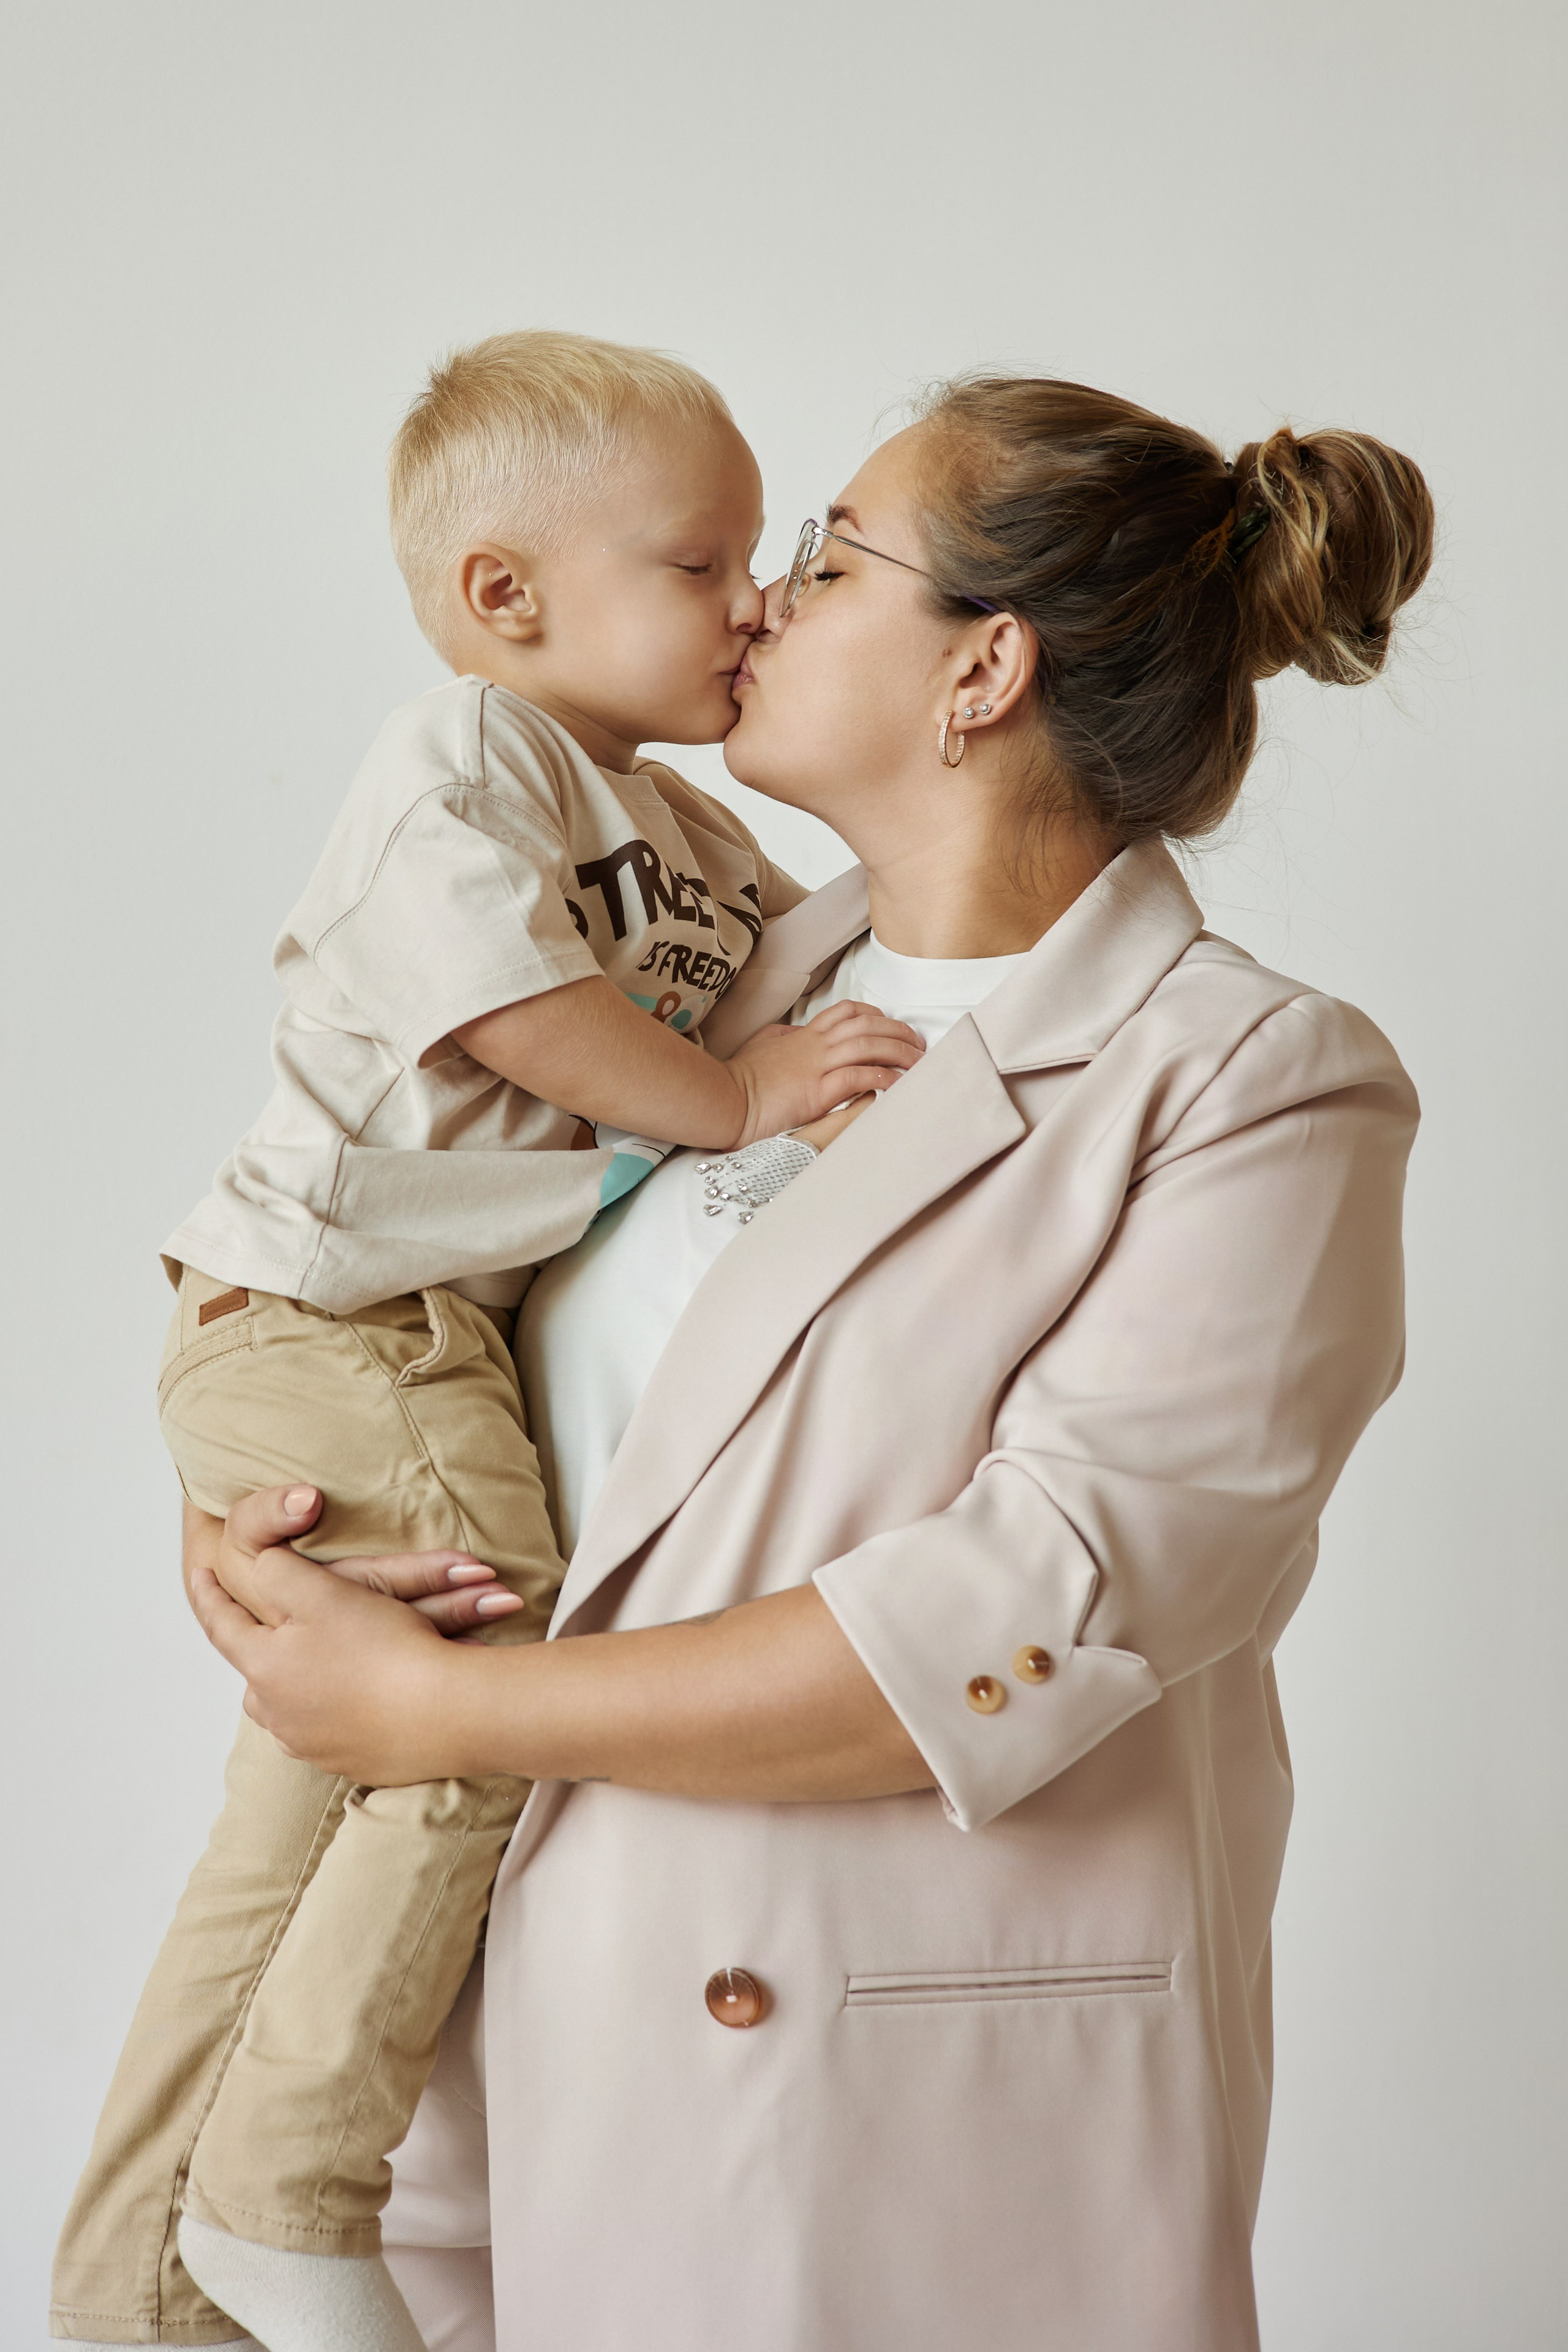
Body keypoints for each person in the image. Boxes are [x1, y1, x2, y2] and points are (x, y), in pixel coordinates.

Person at [181, 374, 1432, 2352]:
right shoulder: (711, 991)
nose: (756, 602)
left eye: (828, 560)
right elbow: (490, 1385)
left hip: (883, 2127)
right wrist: (285, 1548)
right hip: (510, 2061)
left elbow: (1011, 1623)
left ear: (986, 668)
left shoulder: (1254, 1083)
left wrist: (449, 1719)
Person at [50, 330, 921, 2352]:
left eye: (770, 559)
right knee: (477, 1672)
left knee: (297, 1804)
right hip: (335, 1318)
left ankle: (140, 2284)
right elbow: (508, 1012)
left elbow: (840, 944)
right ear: (506, 602)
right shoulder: (467, 760)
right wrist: (739, 1098)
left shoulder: (704, 850)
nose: (756, 601)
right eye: (702, 567)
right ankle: (293, 2181)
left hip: (396, 1344)